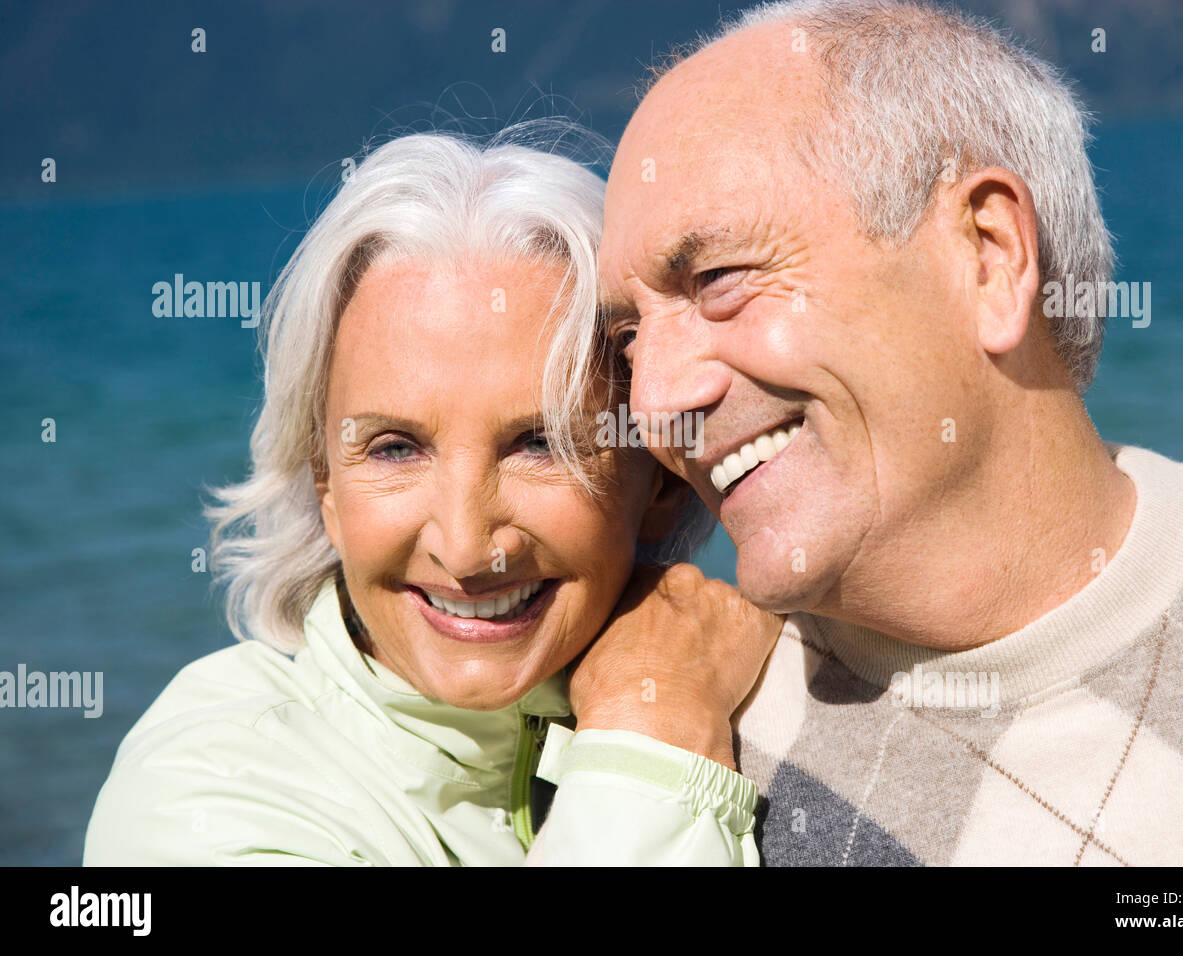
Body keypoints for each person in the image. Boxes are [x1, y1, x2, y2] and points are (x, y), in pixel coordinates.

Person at [595, 0, 1183, 865]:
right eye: (627, 338)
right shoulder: (677, 764)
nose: (655, 399)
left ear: (989, 255)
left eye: (717, 279)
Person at [83, 129, 780, 866]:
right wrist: (651, 730)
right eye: (394, 448)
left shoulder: (772, 696)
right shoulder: (201, 792)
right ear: (324, 481)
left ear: (661, 479)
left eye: (539, 444)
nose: (467, 547)